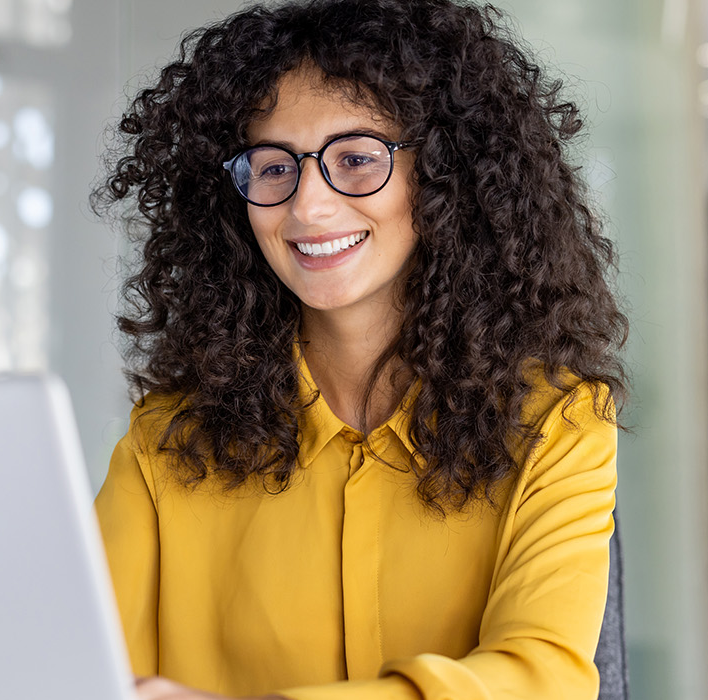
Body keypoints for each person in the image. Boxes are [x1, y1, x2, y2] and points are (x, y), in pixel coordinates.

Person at [91, 0, 629, 698]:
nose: (307, 207)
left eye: (356, 159)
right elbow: (87, 674)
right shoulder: (162, 443)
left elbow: (543, 680)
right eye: (273, 166)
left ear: (443, 174)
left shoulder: (557, 422)